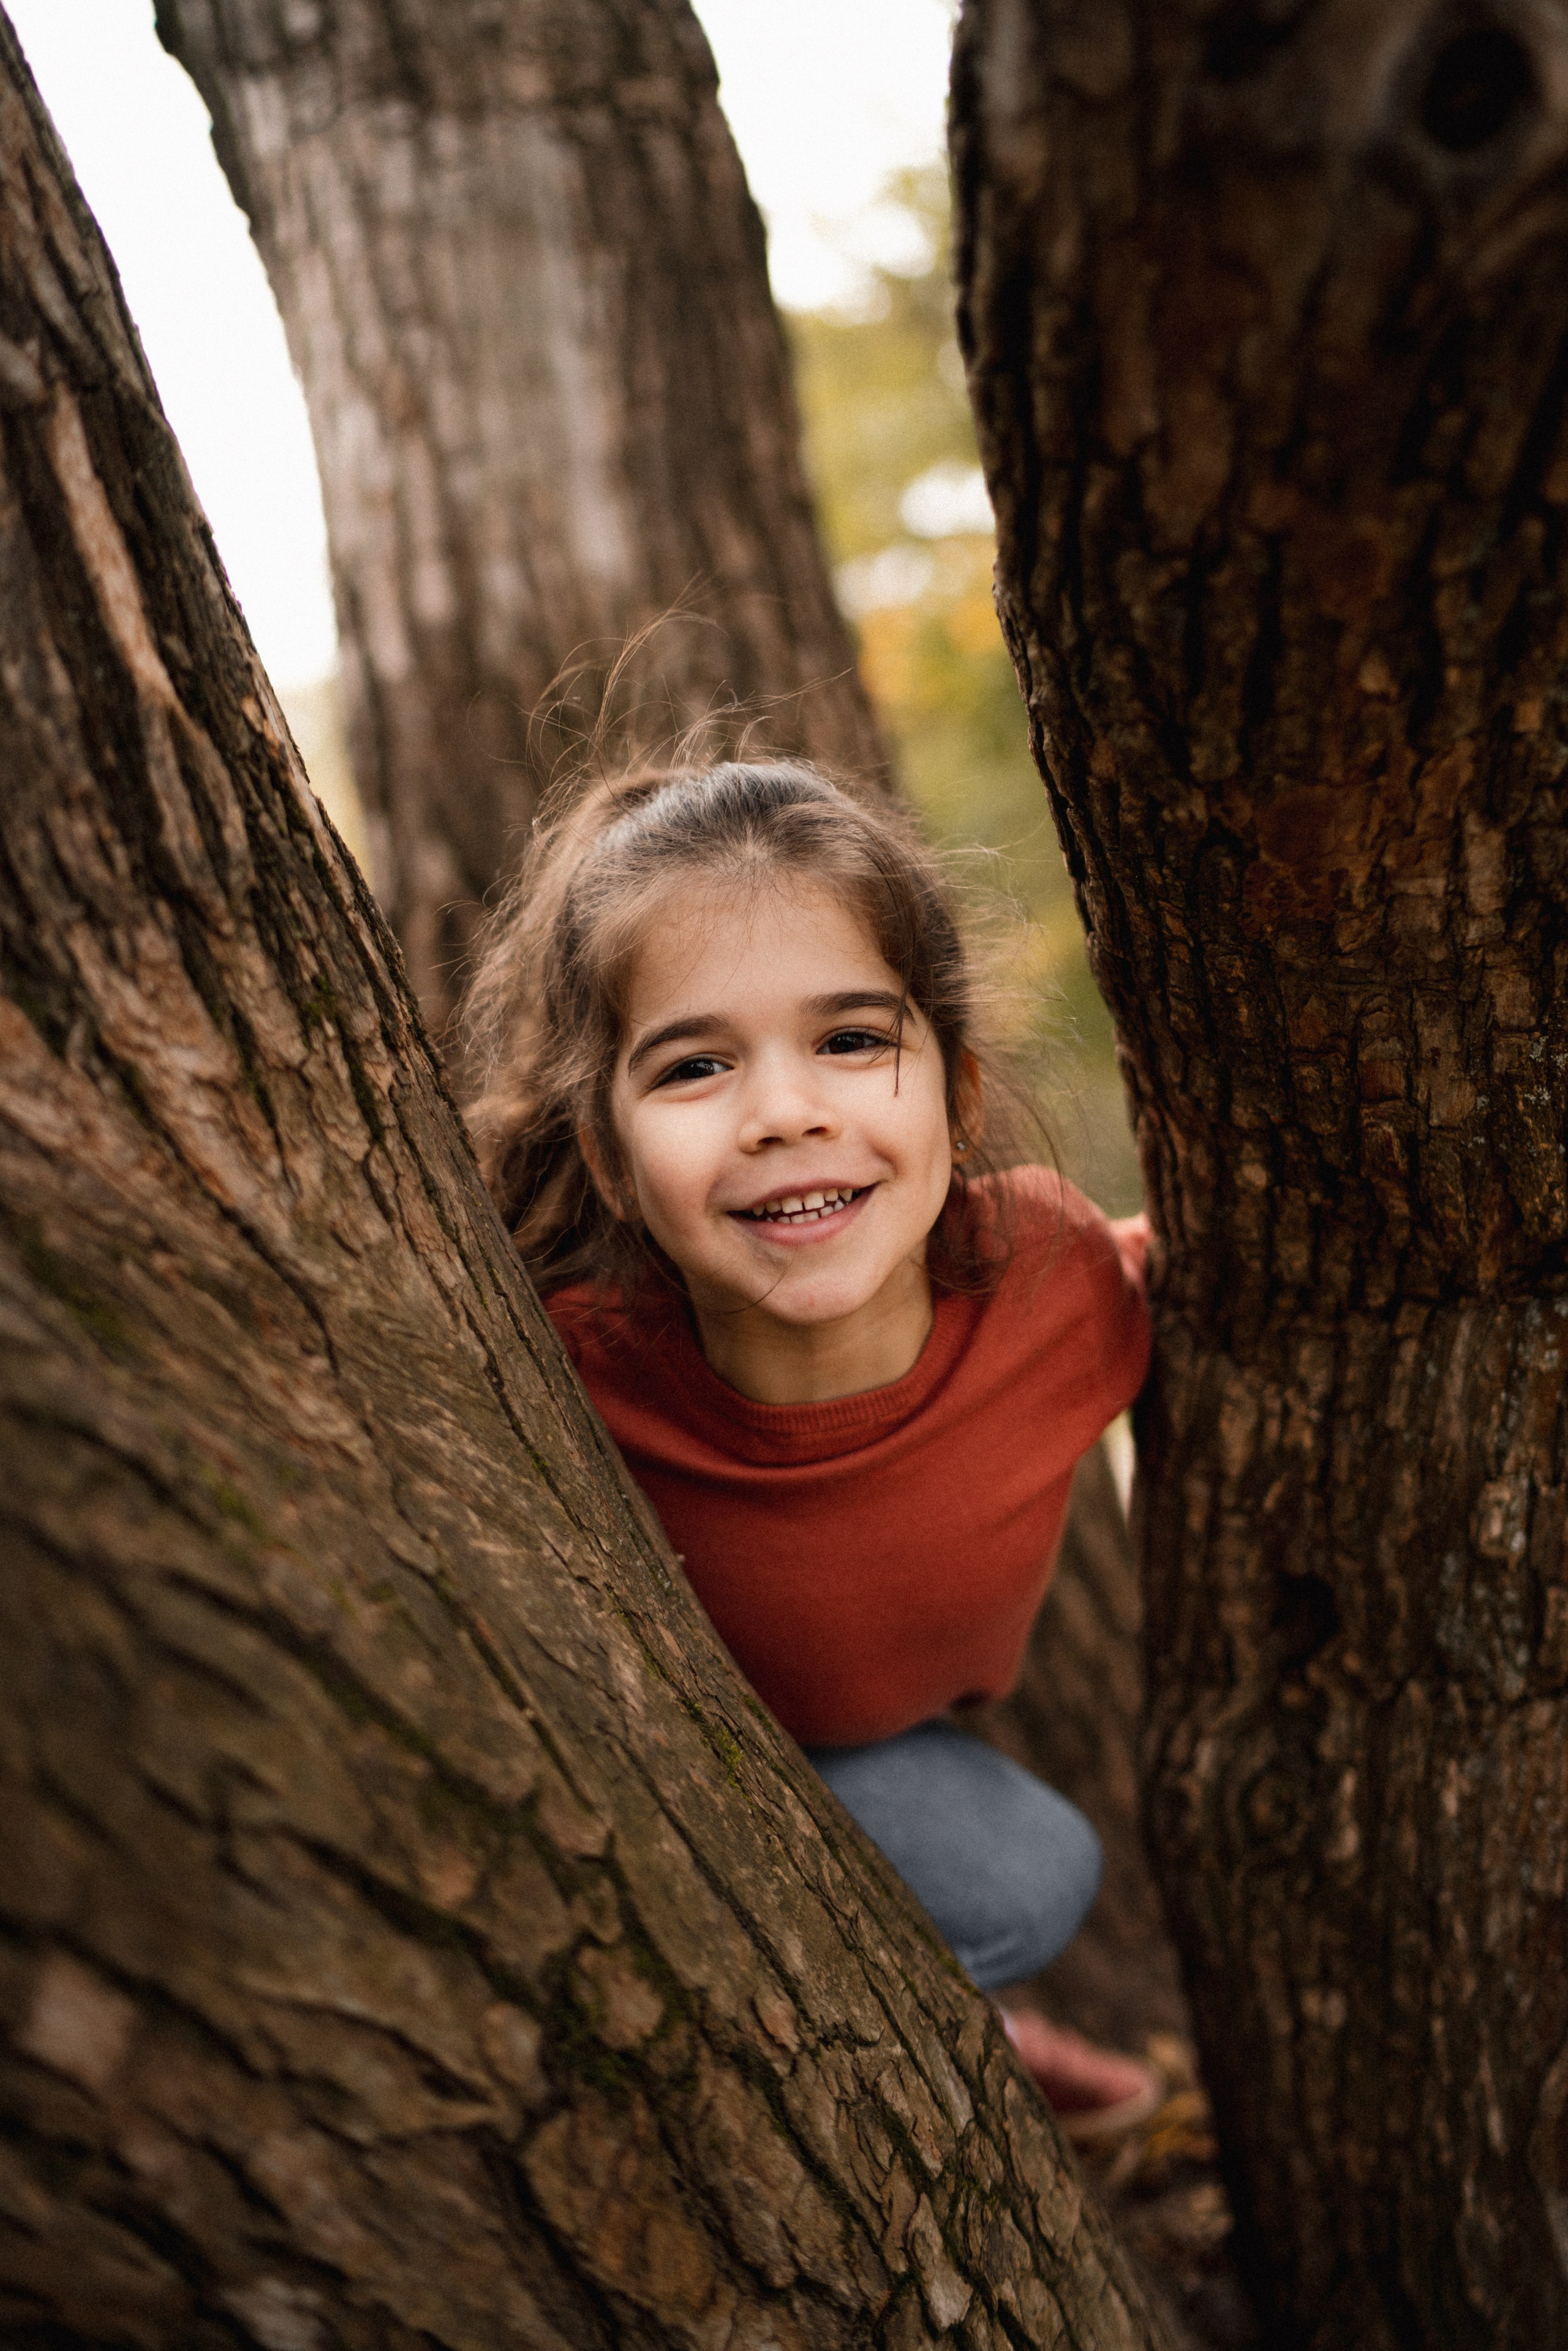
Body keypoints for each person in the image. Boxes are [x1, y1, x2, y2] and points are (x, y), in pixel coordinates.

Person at [465, 757, 1161, 2137]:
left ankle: (965, 2026)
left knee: (1028, 1873)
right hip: (633, 1797)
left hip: (850, 1774)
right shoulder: (559, 1381)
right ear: (608, 1158)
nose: (783, 1110)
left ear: (954, 1096)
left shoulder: (1049, 1280)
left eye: (849, 1040)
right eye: (695, 1064)